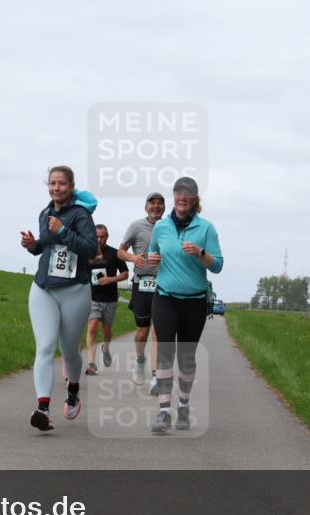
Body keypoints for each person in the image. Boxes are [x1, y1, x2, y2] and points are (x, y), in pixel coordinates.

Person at [20, 166, 99, 431]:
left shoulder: (81, 214)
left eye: (62, 183)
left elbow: (91, 249)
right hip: (43, 287)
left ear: (71, 186)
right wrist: (33, 245)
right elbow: (45, 246)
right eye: (52, 183)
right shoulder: (45, 213)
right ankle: (42, 407)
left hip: (75, 290)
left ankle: (73, 389)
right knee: (44, 347)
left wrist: (64, 230)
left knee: (69, 351)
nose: (56, 188)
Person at [146, 177, 223, 433]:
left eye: (187, 194)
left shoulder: (206, 228)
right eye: (178, 192)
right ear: (174, 196)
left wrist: (201, 253)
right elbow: (153, 253)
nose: (182, 197)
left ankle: (183, 406)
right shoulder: (161, 226)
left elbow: (218, 265)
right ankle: (164, 411)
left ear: (194, 199)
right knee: (165, 352)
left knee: (186, 357)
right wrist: (152, 259)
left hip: (194, 302)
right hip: (165, 297)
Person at [118, 192, 166, 393]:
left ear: (164, 208)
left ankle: (155, 377)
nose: (156, 206)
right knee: (142, 331)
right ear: (146, 206)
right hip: (141, 284)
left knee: (158, 332)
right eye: (152, 203)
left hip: (163, 284)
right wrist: (133, 258)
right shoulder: (136, 226)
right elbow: (120, 251)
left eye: (160, 203)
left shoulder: (169, 227)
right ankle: (140, 360)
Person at [85, 224, 129, 375]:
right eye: (96, 237)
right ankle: (91, 363)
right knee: (92, 328)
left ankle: (105, 347)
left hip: (110, 299)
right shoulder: (88, 253)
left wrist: (110, 279)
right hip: (92, 298)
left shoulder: (115, 253)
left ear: (107, 237)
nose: (99, 240)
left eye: (102, 237)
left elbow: (125, 274)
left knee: (107, 332)